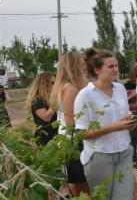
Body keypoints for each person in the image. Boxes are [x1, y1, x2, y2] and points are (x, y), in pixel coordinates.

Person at [74, 48, 137, 200]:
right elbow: (81, 134)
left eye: (116, 65)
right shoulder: (85, 95)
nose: (116, 69)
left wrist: (129, 122)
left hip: (124, 152)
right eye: (111, 66)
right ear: (97, 70)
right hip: (99, 156)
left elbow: (122, 116)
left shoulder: (120, 89)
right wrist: (113, 128)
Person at [50, 51, 91, 197]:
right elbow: (70, 121)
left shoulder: (66, 86)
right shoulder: (70, 88)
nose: (84, 66)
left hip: (68, 139)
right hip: (72, 141)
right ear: (75, 66)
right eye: (81, 63)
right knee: (80, 182)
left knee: (78, 182)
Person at [25, 72, 57, 146]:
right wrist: (56, 102)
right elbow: (46, 117)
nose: (55, 85)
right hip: (45, 136)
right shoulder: (37, 100)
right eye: (53, 83)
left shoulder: (49, 98)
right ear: (44, 85)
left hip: (54, 134)